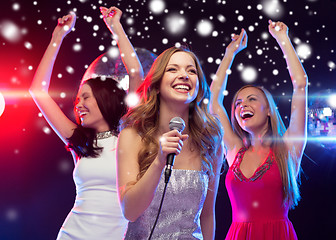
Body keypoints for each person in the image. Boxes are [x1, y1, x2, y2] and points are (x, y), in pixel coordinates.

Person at [29, 7, 143, 240]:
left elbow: (136, 73)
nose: (78, 105)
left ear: (105, 99)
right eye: (77, 99)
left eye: (86, 97)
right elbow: (37, 91)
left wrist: (117, 28)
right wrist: (57, 37)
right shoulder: (80, 141)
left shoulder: (129, 132)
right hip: (72, 234)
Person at [210, 21, 307, 239]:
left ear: (270, 111)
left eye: (252, 99)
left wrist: (283, 39)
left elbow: (300, 84)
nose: (242, 105)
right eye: (237, 103)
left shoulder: (288, 149)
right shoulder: (235, 151)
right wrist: (229, 53)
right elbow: (214, 101)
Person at [117, 46, 224, 239]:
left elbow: (207, 215)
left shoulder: (211, 139)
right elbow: (130, 211)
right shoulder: (132, 135)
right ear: (156, 85)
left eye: (191, 71)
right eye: (173, 69)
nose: (184, 75)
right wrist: (159, 162)